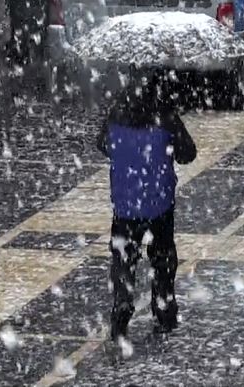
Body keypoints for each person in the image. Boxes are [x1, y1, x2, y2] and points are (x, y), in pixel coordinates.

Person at [95, 75, 197, 341]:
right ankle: (164, 310)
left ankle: (122, 305)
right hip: (158, 202)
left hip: (125, 203)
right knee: (163, 257)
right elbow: (189, 154)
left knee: (123, 258)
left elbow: (103, 145)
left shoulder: (116, 114)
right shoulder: (165, 116)